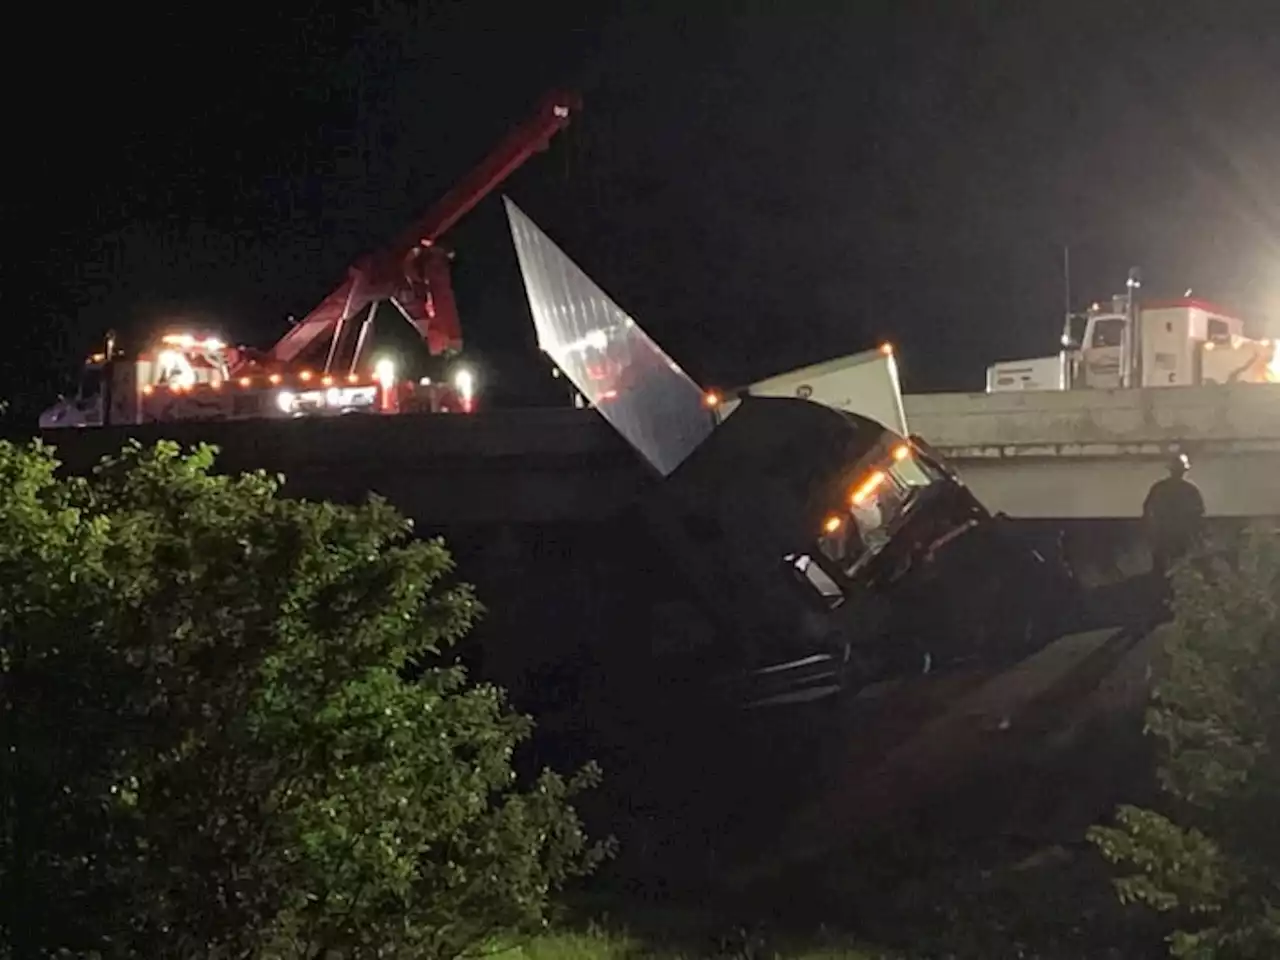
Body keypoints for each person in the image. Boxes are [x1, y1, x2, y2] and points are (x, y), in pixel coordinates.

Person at [1142, 453, 1205, 577]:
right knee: (1179, 568)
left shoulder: (1159, 488)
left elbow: (1148, 510)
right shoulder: (1190, 490)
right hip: (1177, 536)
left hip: (1164, 536)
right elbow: (1199, 514)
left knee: (1162, 569)